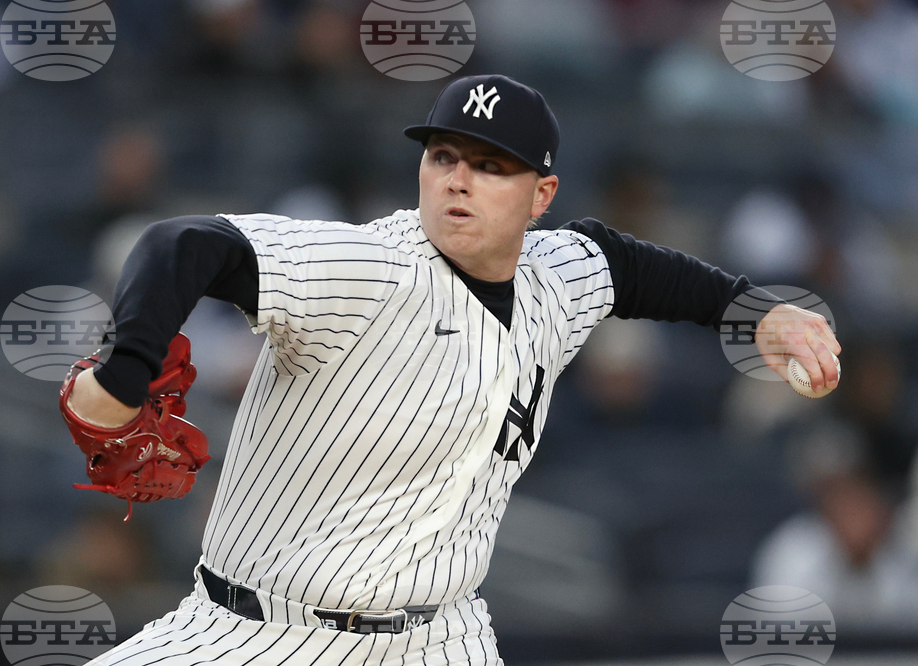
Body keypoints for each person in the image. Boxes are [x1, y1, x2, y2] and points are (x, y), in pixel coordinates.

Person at [62, 75, 841, 665]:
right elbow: (180, 245)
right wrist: (126, 376)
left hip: (439, 640)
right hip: (256, 633)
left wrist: (754, 312)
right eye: (443, 156)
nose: (458, 179)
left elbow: (627, 266)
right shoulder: (368, 268)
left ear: (540, 196)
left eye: (490, 166)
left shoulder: (555, 278)